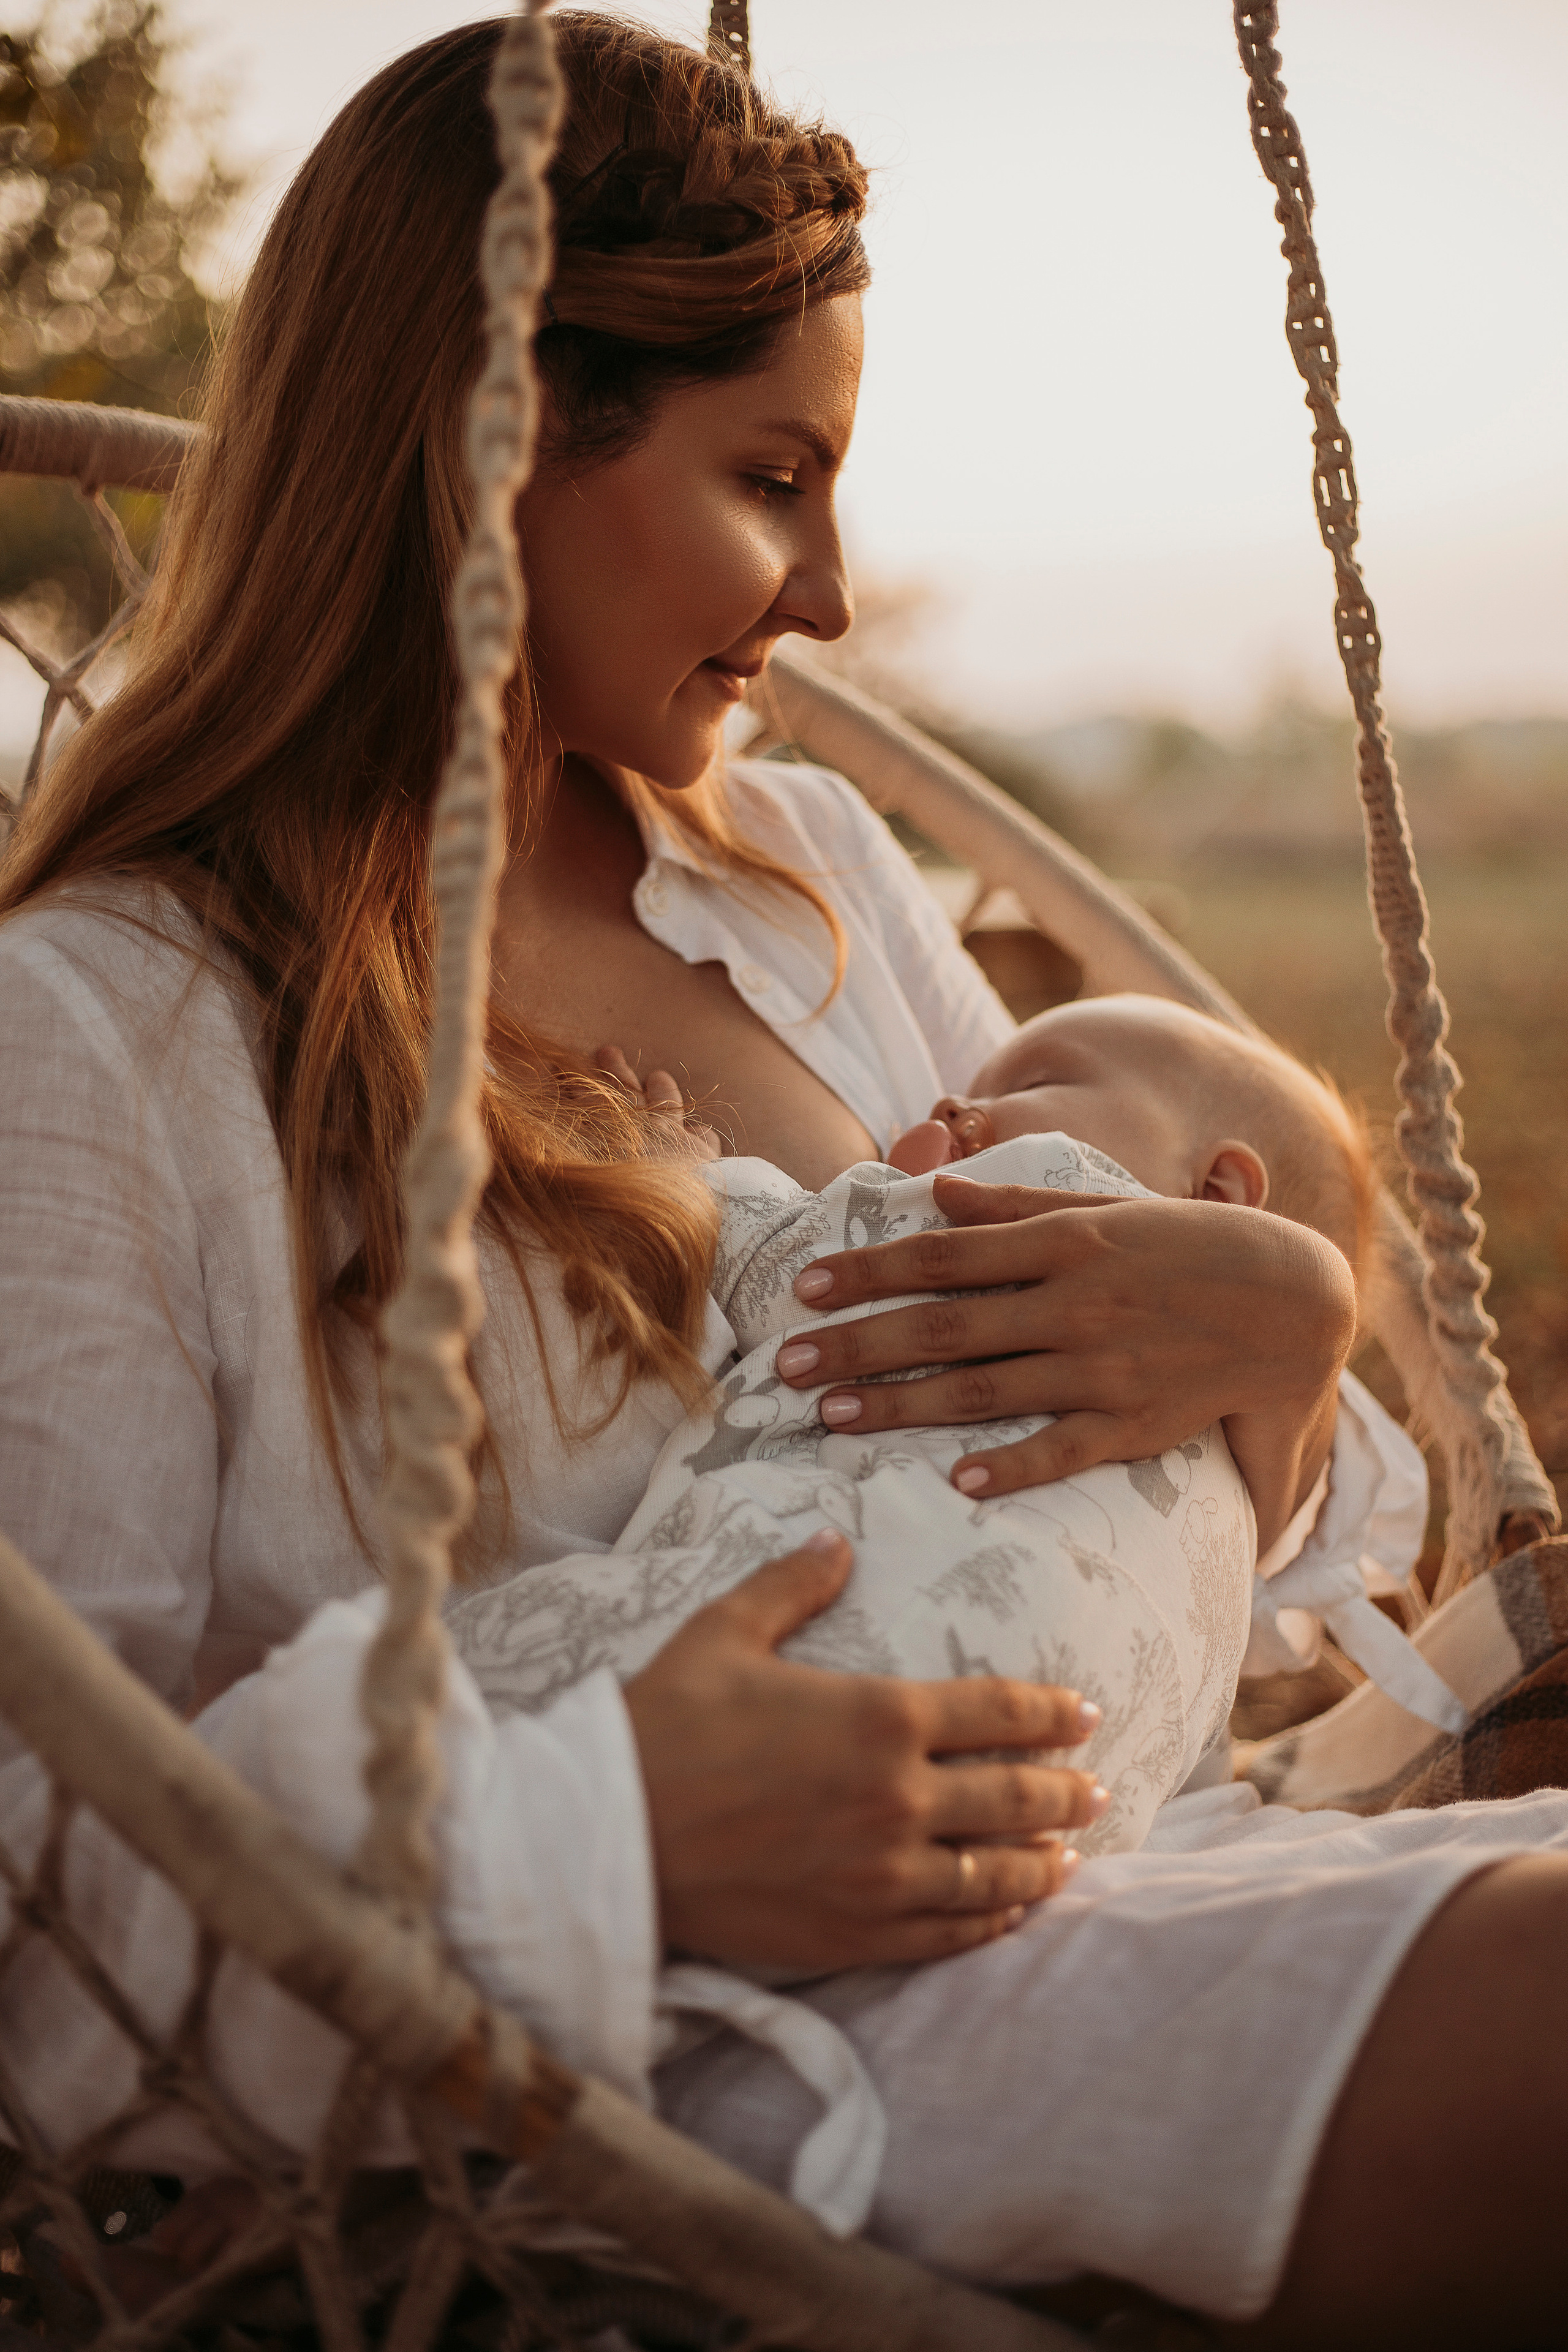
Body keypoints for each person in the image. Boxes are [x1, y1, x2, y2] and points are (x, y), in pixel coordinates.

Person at [0, 17, 1564, 2345]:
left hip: (1130, 1858)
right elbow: (38, 1914)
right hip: (672, 2074)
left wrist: (1277, 1347)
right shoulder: (100, 1031)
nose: (829, 594)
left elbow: (1150, 1580)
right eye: (775, 476)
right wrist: (602, 1834)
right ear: (494, 441)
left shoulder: (807, 878)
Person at [454, 998, 1385, 1868]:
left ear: (1218, 1193)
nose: (952, 1099)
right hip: (1014, 1837)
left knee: (448, 1690)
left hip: (776, 1686)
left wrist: (668, 1163)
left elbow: (787, 1264)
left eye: (1022, 1086)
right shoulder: (1232, 1511)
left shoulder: (1051, 1201)